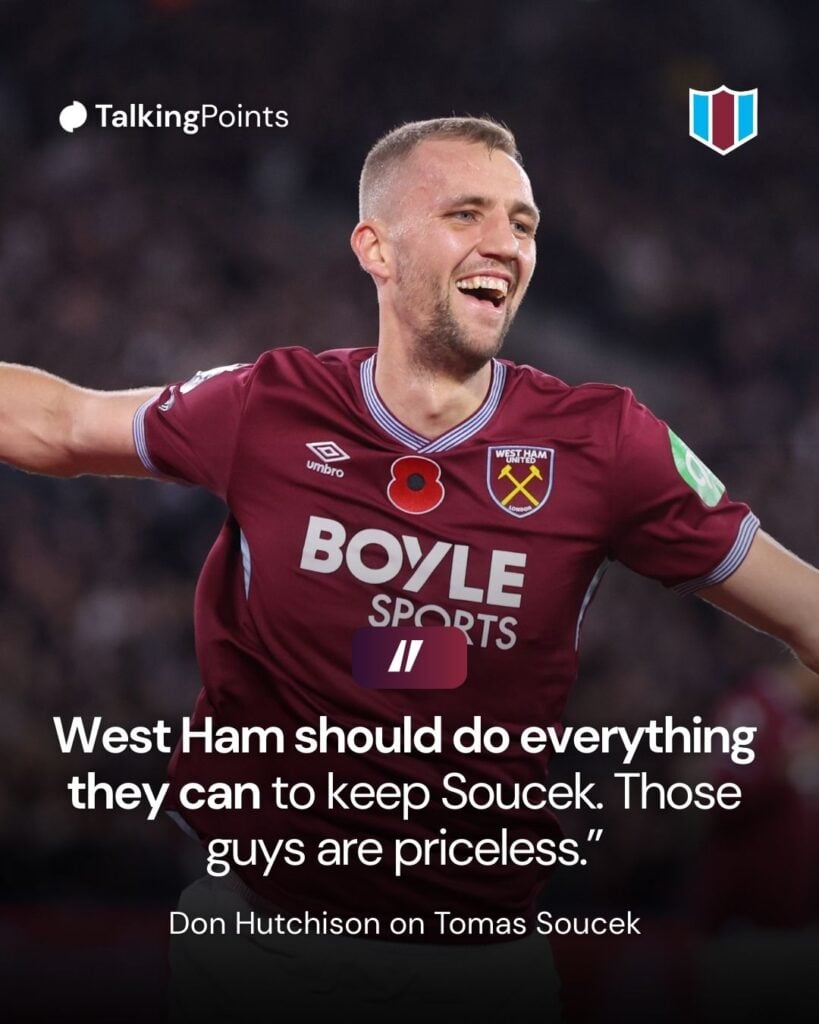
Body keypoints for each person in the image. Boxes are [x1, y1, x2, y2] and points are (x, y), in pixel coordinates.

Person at [2, 117, 818, 1022]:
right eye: (466, 213)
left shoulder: (606, 441)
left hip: (477, 966)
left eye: (523, 222)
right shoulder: (270, 406)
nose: (504, 244)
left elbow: (804, 612)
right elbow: (62, 426)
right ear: (375, 248)